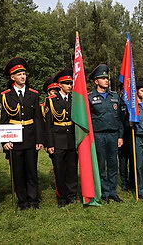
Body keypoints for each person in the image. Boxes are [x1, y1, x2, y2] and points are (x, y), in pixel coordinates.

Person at [0, 57, 44, 210]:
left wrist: (40, 139)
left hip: (31, 137)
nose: (23, 76)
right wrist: (5, 141)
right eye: (19, 74)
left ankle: (33, 200)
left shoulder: (33, 94)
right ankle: (22, 201)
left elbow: (38, 119)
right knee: (18, 171)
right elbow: (4, 120)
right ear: (12, 77)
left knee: (31, 170)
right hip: (14, 138)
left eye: (24, 73)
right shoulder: (6, 95)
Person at [88, 64, 124, 203]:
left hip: (113, 135)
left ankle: (113, 191)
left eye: (107, 78)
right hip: (98, 135)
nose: (106, 80)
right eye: (103, 78)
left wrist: (120, 136)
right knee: (101, 164)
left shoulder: (114, 96)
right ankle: (104, 192)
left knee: (113, 164)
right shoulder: (90, 97)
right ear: (96, 81)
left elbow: (120, 118)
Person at [44, 69, 78, 207]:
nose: (69, 85)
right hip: (57, 139)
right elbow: (48, 124)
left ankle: (72, 195)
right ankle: (62, 197)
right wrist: (49, 143)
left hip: (71, 139)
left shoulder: (75, 98)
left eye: (70, 83)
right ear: (59, 85)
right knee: (59, 169)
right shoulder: (51, 100)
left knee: (72, 168)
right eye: (66, 83)